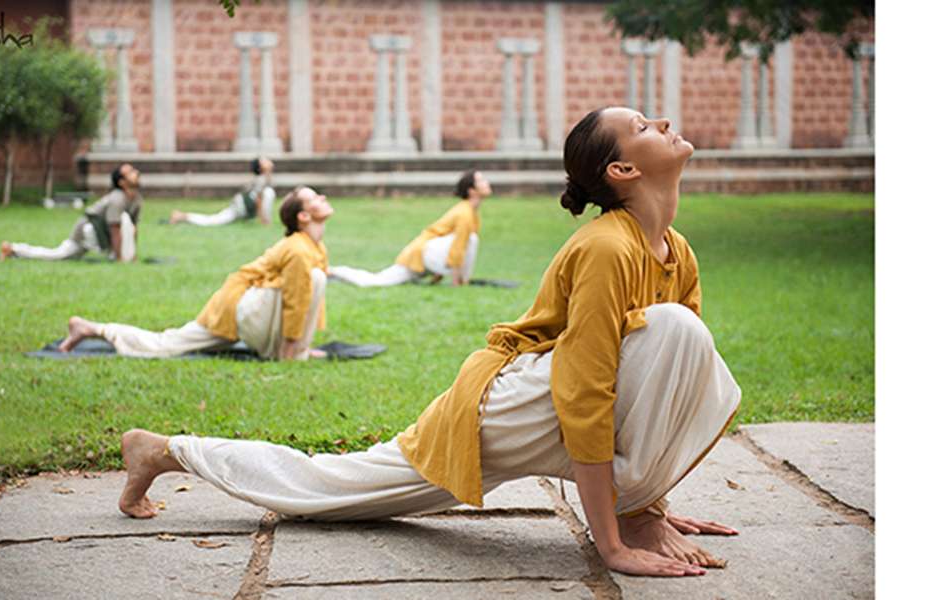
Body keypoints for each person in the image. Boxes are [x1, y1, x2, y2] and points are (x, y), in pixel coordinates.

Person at [117, 107, 742, 578]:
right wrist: (612, 544)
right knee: (328, 488)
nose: (661, 120)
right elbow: (585, 388)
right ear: (622, 170)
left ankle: (636, 511)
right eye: (642, 123)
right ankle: (165, 450)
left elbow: (661, 390)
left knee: (689, 342)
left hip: (553, 406)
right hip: (510, 407)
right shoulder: (606, 246)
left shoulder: (675, 251)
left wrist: (649, 506)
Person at [60, 186, 334, 361]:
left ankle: (93, 329)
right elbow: (296, 301)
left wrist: (301, 346)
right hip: (242, 308)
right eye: (314, 198)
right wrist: (290, 350)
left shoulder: (313, 245)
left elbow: (303, 300)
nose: (323, 198)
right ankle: (294, 351)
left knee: (168, 343)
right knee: (317, 279)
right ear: (303, 217)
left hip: (251, 309)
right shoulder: (298, 249)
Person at [329, 170, 490, 287]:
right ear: (471, 190)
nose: (487, 183)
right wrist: (456, 283)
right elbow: (457, 247)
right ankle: (335, 271)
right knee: (375, 281)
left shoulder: (468, 211)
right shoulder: (464, 213)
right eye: (481, 181)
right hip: (421, 254)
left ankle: (336, 273)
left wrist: (440, 277)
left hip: (427, 255)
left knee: (379, 279)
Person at [0, 164, 142, 262]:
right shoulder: (117, 198)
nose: (136, 172)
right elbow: (115, 229)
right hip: (89, 229)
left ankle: (14, 250)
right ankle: (13, 249)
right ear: (122, 182)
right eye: (130, 172)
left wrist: (132, 254)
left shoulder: (136, 198)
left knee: (60, 255)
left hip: (103, 232)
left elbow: (133, 228)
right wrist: (119, 258)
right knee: (59, 255)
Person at [169, 157, 277, 226]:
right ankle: (181, 216)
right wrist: (265, 222)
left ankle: (182, 216)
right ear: (260, 168)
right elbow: (259, 200)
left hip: (241, 206)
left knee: (214, 219)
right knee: (213, 221)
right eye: (264, 160)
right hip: (240, 207)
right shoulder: (261, 180)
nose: (267, 160)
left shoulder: (264, 178)